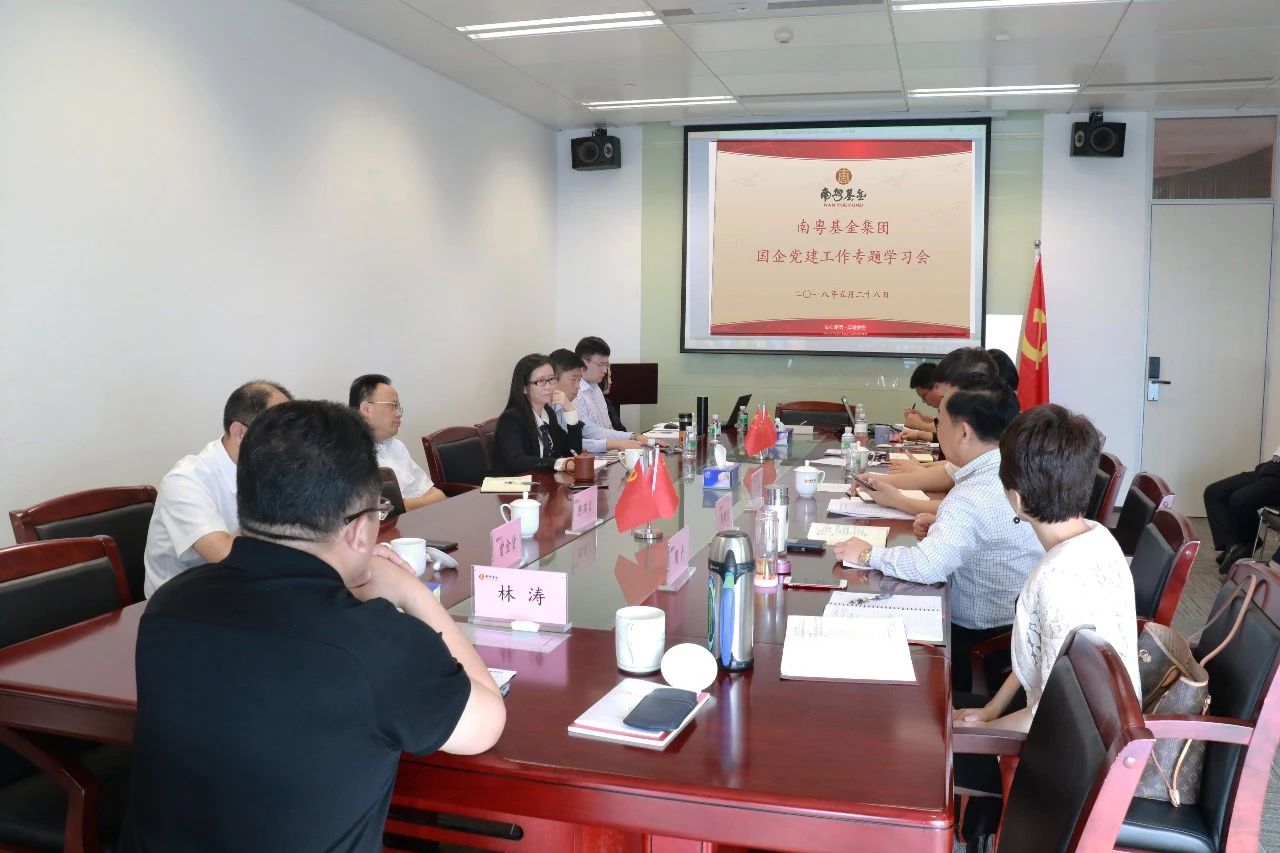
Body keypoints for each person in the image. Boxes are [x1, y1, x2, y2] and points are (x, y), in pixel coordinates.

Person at [121, 401, 506, 853]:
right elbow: (485, 724)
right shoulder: (372, 642)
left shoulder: (169, 605)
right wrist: (409, 591)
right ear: (359, 530)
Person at [949, 404, 1139, 847]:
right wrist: (993, 709)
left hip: (1071, 763)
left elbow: (1047, 718)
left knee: (919, 747)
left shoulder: (1056, 580)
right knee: (940, 715)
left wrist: (980, 733)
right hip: (1085, 730)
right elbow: (1042, 656)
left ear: (1015, 498)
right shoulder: (1096, 535)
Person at [833, 375, 1042, 691]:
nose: (936, 428)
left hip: (982, 643)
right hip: (1016, 627)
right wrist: (943, 524)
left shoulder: (972, 494)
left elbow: (926, 566)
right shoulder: (1011, 467)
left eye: (940, 421)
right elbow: (988, 531)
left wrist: (866, 553)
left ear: (963, 432)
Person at [142, 380, 292, 597]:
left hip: (247, 590)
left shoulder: (274, 470)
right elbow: (224, 556)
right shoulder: (184, 480)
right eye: (281, 433)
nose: (290, 445)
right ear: (240, 433)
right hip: (184, 603)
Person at [349, 373, 446, 510]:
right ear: (366, 409)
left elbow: (436, 494)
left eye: (398, 407)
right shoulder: (350, 456)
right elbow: (388, 512)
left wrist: (409, 505)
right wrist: (417, 504)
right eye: (393, 406)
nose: (399, 413)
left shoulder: (396, 445)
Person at [491, 353, 583, 475]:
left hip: (543, 483)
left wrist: (570, 410)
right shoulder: (511, 419)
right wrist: (559, 463)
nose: (549, 387)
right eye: (541, 381)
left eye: (551, 379)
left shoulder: (548, 413)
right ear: (524, 388)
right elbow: (517, 461)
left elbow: (573, 451)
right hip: (514, 484)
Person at [547, 349, 643, 453]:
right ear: (554, 379)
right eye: (573, 380)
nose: (578, 386)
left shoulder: (569, 402)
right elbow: (568, 446)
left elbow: (588, 430)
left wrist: (632, 437)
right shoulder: (545, 409)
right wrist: (615, 444)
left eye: (579, 380)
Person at [1204, 444, 1280, 573]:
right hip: (1272, 466)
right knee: (1214, 492)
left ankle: (1247, 543)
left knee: (1240, 499)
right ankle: (1233, 545)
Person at [575, 336, 636, 437]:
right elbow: (589, 433)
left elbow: (607, 427)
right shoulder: (575, 392)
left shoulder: (595, 387)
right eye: (601, 364)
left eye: (606, 365)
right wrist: (631, 437)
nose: (604, 370)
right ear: (583, 363)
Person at [903, 361, 940, 433]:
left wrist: (917, 424)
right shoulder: (944, 406)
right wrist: (922, 418)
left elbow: (948, 431)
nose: (923, 401)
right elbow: (940, 424)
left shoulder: (956, 401)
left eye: (924, 396)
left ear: (937, 386)